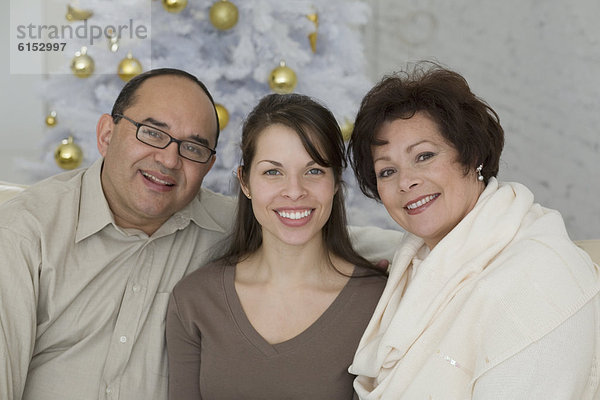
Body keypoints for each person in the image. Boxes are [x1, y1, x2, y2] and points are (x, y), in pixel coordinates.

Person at [0, 69, 402, 400]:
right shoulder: (25, 233)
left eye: (193, 148)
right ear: (106, 134)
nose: (168, 159)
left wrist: (416, 256)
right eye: (152, 133)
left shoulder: (229, 218)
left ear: (211, 165)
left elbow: (302, 224)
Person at [346, 62, 600, 399]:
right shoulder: (425, 258)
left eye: (424, 156)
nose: (406, 181)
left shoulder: (536, 278)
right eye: (387, 171)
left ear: (472, 154)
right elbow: (371, 243)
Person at [165, 93, 388, 400]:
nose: (294, 191)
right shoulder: (195, 299)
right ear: (245, 182)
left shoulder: (380, 302)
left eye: (314, 171)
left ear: (336, 182)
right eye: (273, 172)